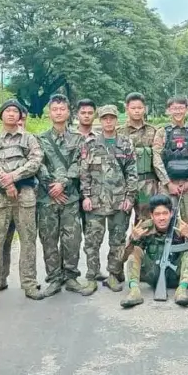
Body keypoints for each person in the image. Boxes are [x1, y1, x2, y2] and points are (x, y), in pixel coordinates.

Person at [0, 99, 43, 306]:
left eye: (15, 111)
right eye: (7, 111)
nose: (11, 114)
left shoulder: (29, 139)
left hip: (25, 195)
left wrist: (13, 177)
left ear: (20, 116)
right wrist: (7, 183)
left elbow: (35, 162)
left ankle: (29, 283)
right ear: (1, 115)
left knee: (28, 241)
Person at [37, 95, 96, 296]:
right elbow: (39, 164)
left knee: (72, 239)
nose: (59, 112)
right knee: (49, 239)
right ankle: (54, 278)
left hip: (70, 197)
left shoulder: (78, 139)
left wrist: (62, 184)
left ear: (68, 112)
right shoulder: (40, 139)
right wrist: (51, 187)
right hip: (47, 198)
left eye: (62, 109)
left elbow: (80, 164)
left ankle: (71, 276)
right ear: (49, 112)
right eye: (55, 109)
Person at [81, 105, 137, 292]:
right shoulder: (91, 144)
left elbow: (132, 172)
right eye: (104, 118)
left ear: (116, 120)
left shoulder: (125, 143)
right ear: (100, 120)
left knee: (117, 240)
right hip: (96, 202)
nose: (108, 121)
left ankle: (113, 274)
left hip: (119, 202)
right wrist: (86, 196)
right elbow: (85, 173)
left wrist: (130, 197)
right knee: (92, 241)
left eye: (111, 118)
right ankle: (91, 276)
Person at [120, 194, 188, 308]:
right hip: (151, 274)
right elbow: (123, 258)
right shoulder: (144, 228)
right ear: (151, 215)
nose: (162, 218)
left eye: (165, 213)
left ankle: (182, 291)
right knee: (135, 251)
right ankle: (134, 292)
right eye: (157, 214)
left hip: (176, 276)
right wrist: (132, 240)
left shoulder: (181, 227)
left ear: (171, 213)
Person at [152, 95, 188, 238]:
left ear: (187, 110)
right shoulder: (162, 133)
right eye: (174, 108)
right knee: (165, 222)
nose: (178, 111)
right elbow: (156, 159)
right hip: (168, 186)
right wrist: (168, 183)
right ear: (168, 110)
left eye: (181, 108)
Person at [120, 93, 160, 222]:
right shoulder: (119, 132)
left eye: (140, 107)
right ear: (127, 109)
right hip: (124, 185)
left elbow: (159, 158)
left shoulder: (154, 131)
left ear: (145, 108)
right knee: (121, 221)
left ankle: (142, 243)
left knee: (146, 220)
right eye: (133, 108)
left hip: (147, 184)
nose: (137, 111)